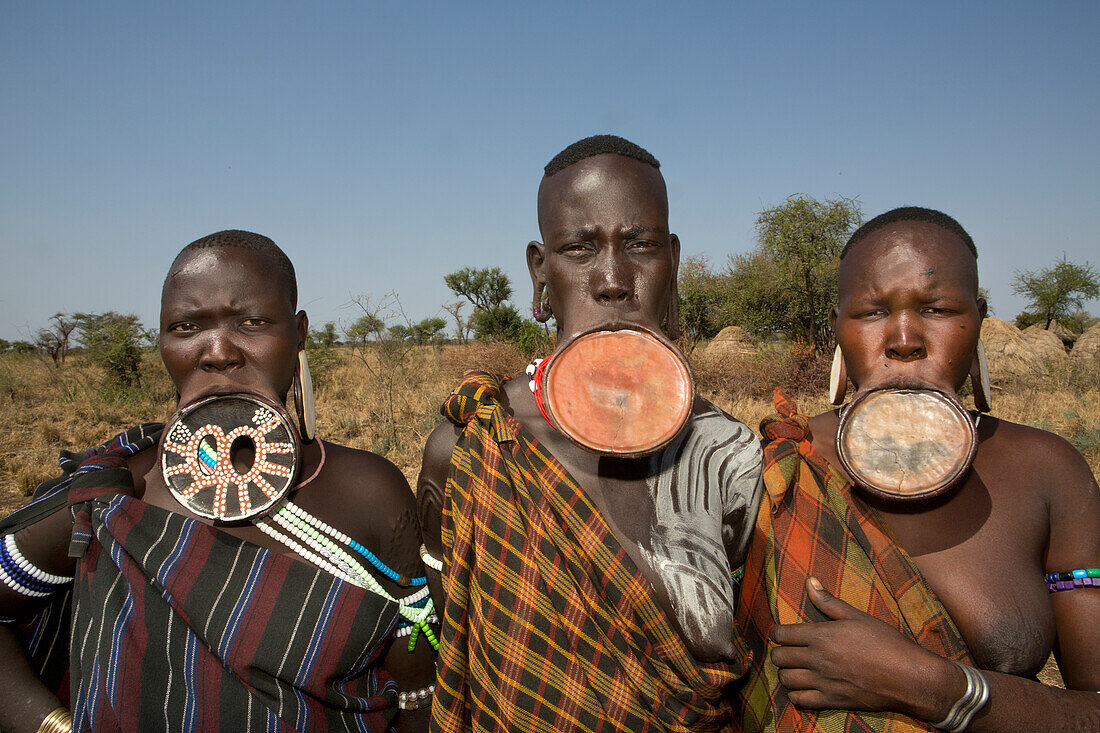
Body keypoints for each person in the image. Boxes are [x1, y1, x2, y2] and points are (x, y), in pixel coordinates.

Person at [0, 230, 437, 732]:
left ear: (299, 334)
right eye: (186, 326)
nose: (218, 352)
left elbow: (416, 686)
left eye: (251, 322)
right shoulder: (117, 492)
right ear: (163, 342)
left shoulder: (368, 490)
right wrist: (53, 725)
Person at [417, 135, 764, 732]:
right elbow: (453, 643)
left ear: (673, 260)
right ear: (539, 268)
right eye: (579, 248)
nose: (612, 280)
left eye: (642, 246)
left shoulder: (731, 457)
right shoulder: (472, 448)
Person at [736, 207, 1100, 732]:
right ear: (838, 326)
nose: (904, 340)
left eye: (935, 309)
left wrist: (933, 686)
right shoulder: (778, 464)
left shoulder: (1048, 471)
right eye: (872, 312)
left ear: (976, 320)